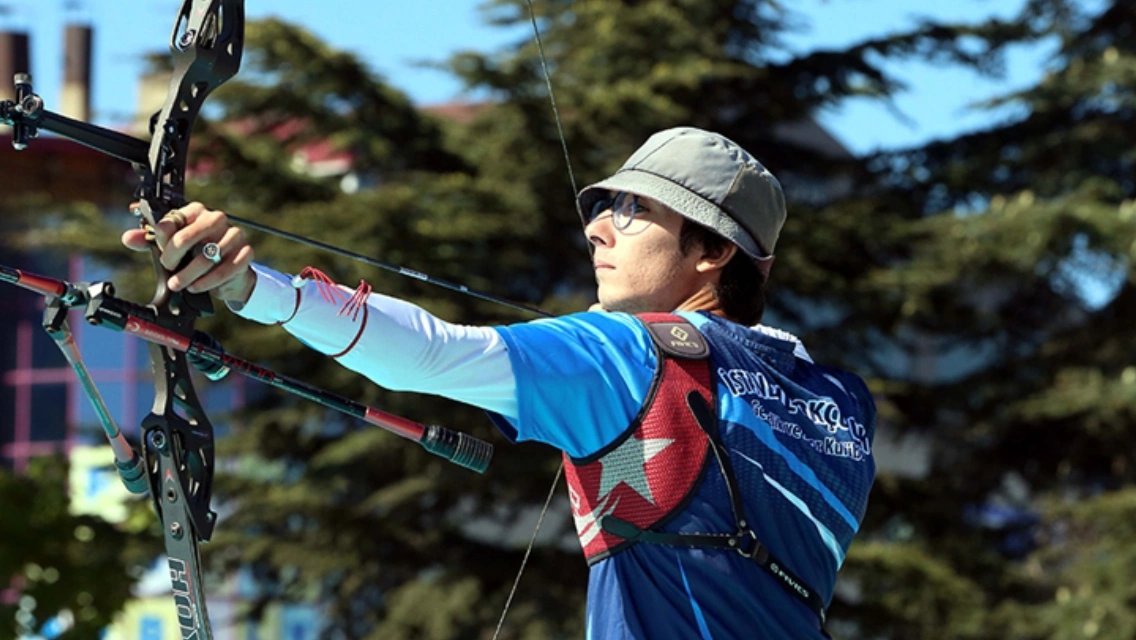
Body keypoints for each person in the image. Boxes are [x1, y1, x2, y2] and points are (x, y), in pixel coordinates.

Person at [123, 127, 877, 639]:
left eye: (632, 211)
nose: (597, 228)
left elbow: (430, 355)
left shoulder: (639, 354)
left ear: (712, 248)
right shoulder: (843, 405)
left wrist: (255, 287)